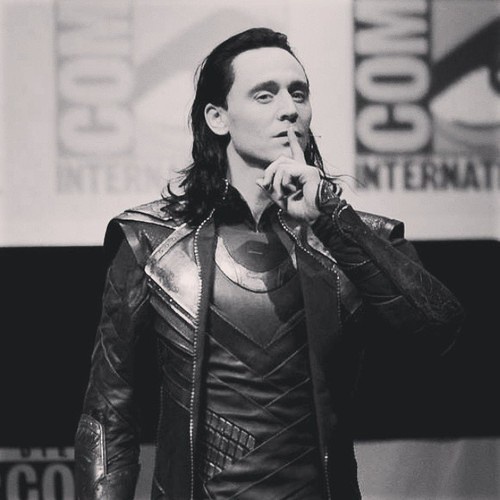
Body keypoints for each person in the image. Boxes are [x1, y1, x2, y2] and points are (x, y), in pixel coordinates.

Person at [74, 27, 464, 500]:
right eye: (265, 95)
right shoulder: (150, 241)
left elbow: (440, 331)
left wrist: (332, 219)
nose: (289, 109)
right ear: (218, 118)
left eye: (298, 93)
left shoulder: (356, 236)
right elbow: (107, 415)